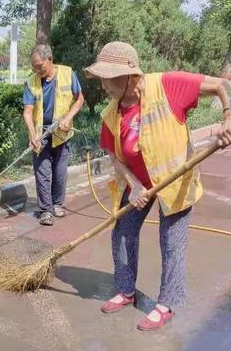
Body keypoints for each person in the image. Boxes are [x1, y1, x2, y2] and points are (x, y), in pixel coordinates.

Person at [85, 41, 231, 331]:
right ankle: (126, 290)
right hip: (138, 183)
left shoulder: (167, 84)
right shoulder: (110, 115)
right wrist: (135, 185)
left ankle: (166, 304)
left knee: (171, 242)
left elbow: (220, 85)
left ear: (129, 76)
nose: (103, 85)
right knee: (123, 232)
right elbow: (115, 158)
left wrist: (228, 117)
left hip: (175, 181)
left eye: (107, 78)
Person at [23, 44, 85, 226]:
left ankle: (57, 204)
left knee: (59, 172)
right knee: (42, 172)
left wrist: (68, 117)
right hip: (41, 134)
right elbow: (27, 112)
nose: (36, 69)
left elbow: (79, 99)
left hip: (62, 133)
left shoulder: (67, 74)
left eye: (39, 65)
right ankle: (45, 210)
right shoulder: (31, 82)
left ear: (50, 60)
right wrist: (33, 134)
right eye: (33, 66)